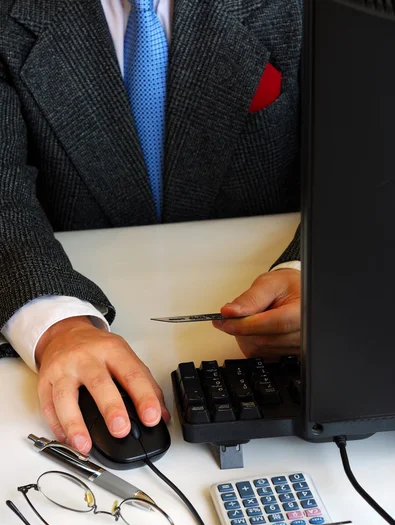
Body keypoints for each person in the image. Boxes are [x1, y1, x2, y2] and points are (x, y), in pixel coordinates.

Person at [0, 0, 302, 453]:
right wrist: (55, 322)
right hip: (83, 292)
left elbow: (372, 156)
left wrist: (312, 272)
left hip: (263, 317)